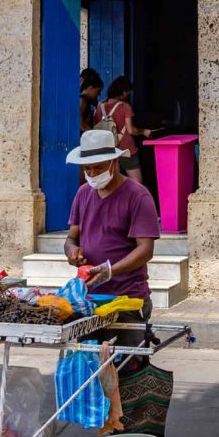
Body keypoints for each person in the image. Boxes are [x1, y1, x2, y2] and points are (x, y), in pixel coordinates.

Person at [64, 129, 160, 340]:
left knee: (127, 365)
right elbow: (71, 238)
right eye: (87, 169)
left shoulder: (138, 195)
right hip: (89, 299)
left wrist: (110, 271)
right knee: (89, 364)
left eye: (98, 168)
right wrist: (72, 251)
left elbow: (145, 249)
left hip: (128, 299)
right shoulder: (82, 193)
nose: (92, 174)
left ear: (114, 162)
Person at [94, 76, 152, 183]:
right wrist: (144, 131)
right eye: (127, 91)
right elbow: (131, 130)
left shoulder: (100, 107)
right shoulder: (125, 107)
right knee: (137, 183)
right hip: (126, 150)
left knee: (112, 183)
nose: (128, 94)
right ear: (123, 91)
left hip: (108, 151)